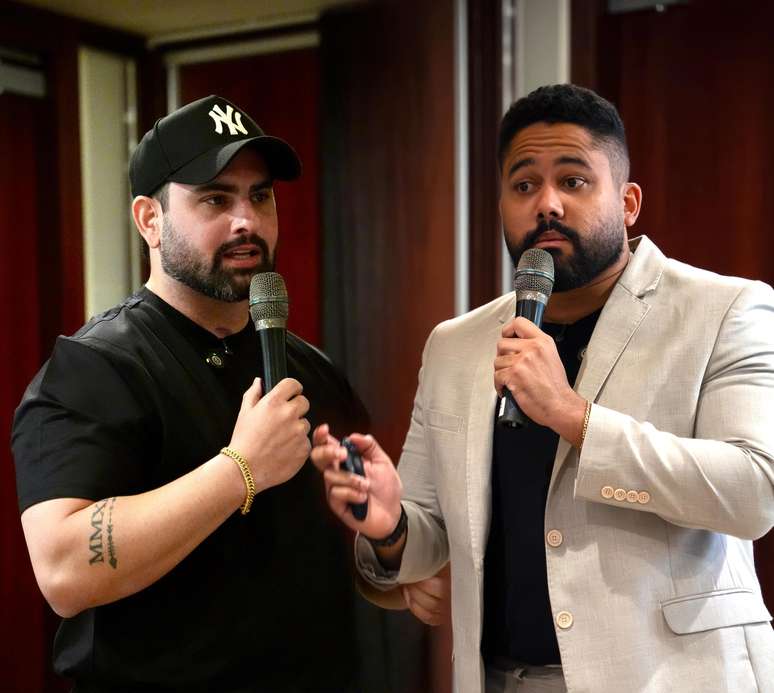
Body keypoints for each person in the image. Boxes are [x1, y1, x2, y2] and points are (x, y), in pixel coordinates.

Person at [312, 84, 774, 692]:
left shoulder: (725, 309)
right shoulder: (454, 345)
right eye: (524, 185)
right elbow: (431, 536)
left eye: (574, 181)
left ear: (628, 202)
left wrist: (575, 416)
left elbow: (754, 491)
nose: (547, 204)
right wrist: (390, 524)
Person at [12, 95, 370, 692]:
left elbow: (351, 540)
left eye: (260, 196)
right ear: (149, 219)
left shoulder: (311, 368)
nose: (246, 222)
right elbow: (64, 570)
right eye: (215, 199)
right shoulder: (96, 369)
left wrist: (397, 556)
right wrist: (240, 470)